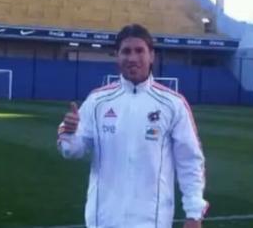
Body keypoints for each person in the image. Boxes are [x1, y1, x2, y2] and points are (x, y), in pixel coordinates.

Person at [57, 24, 208, 228]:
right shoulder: (97, 101)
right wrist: (70, 134)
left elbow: (190, 161)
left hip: (152, 220)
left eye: (139, 51)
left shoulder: (173, 104)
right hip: (103, 218)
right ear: (117, 56)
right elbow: (72, 150)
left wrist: (193, 213)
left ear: (152, 55)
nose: (132, 58)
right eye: (126, 51)